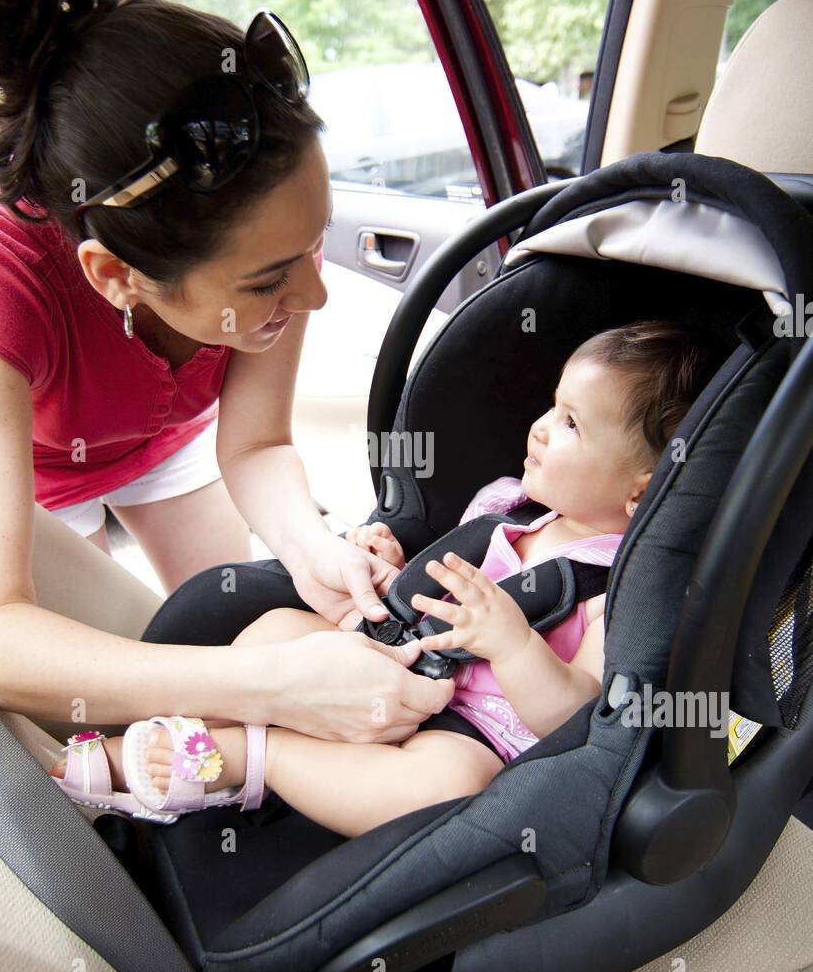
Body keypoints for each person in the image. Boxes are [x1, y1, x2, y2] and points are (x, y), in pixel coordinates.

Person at [0, 0, 453, 749]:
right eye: (266, 281)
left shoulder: (270, 236)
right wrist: (271, 690)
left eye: (312, 245)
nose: (315, 294)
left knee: (206, 625)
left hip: (164, 440)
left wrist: (310, 549)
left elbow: (255, 447)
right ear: (115, 276)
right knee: (95, 700)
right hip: (28, 479)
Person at [51, 320, 724, 836]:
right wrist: (393, 566)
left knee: (450, 787)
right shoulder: (503, 507)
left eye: (572, 425)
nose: (542, 429)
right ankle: (181, 722)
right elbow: (436, 581)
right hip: (390, 657)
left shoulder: (621, 585)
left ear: (643, 493)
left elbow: (575, 714)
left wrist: (514, 645)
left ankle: (243, 759)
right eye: (552, 406)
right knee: (278, 627)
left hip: (473, 732)